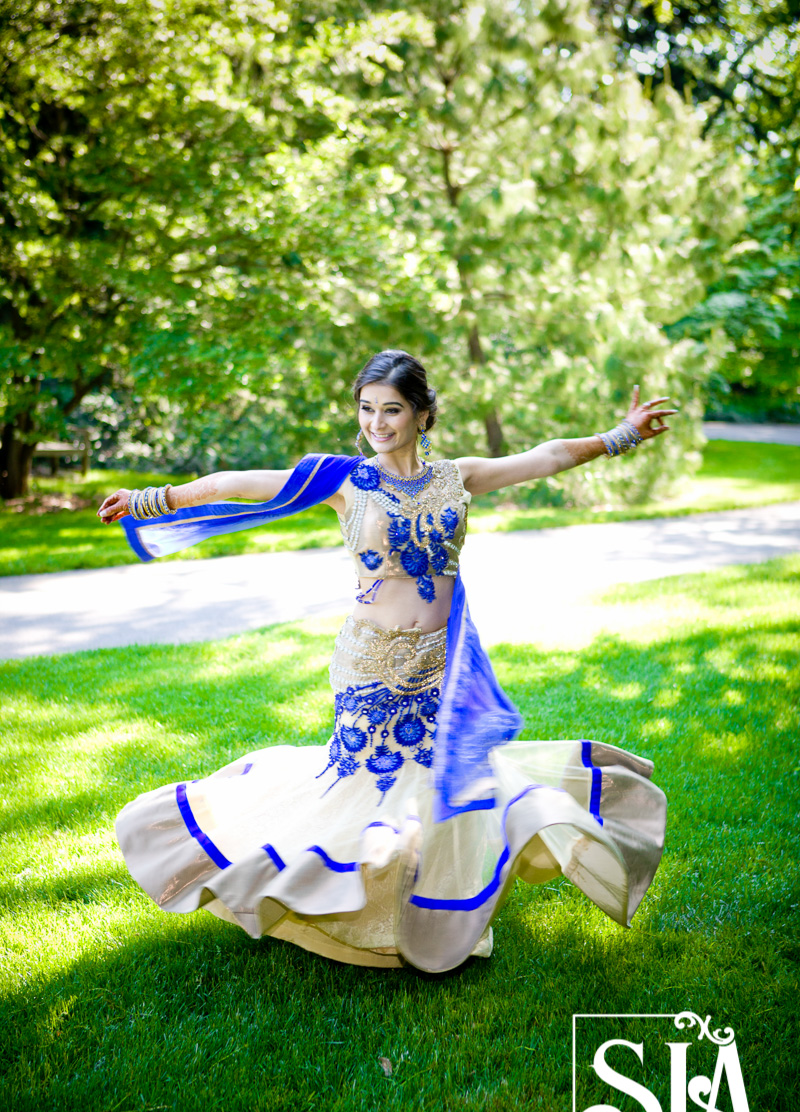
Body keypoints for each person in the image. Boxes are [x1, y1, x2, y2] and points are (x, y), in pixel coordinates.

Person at [97, 349, 677, 973]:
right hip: (370, 660)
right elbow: (235, 483)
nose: (377, 422)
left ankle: (421, 916)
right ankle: (317, 896)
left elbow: (548, 456)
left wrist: (621, 437)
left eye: (392, 410)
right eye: (367, 409)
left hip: (440, 663)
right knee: (361, 781)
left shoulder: (458, 477)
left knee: (437, 786)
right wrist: (153, 499)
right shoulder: (344, 479)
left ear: (424, 415)